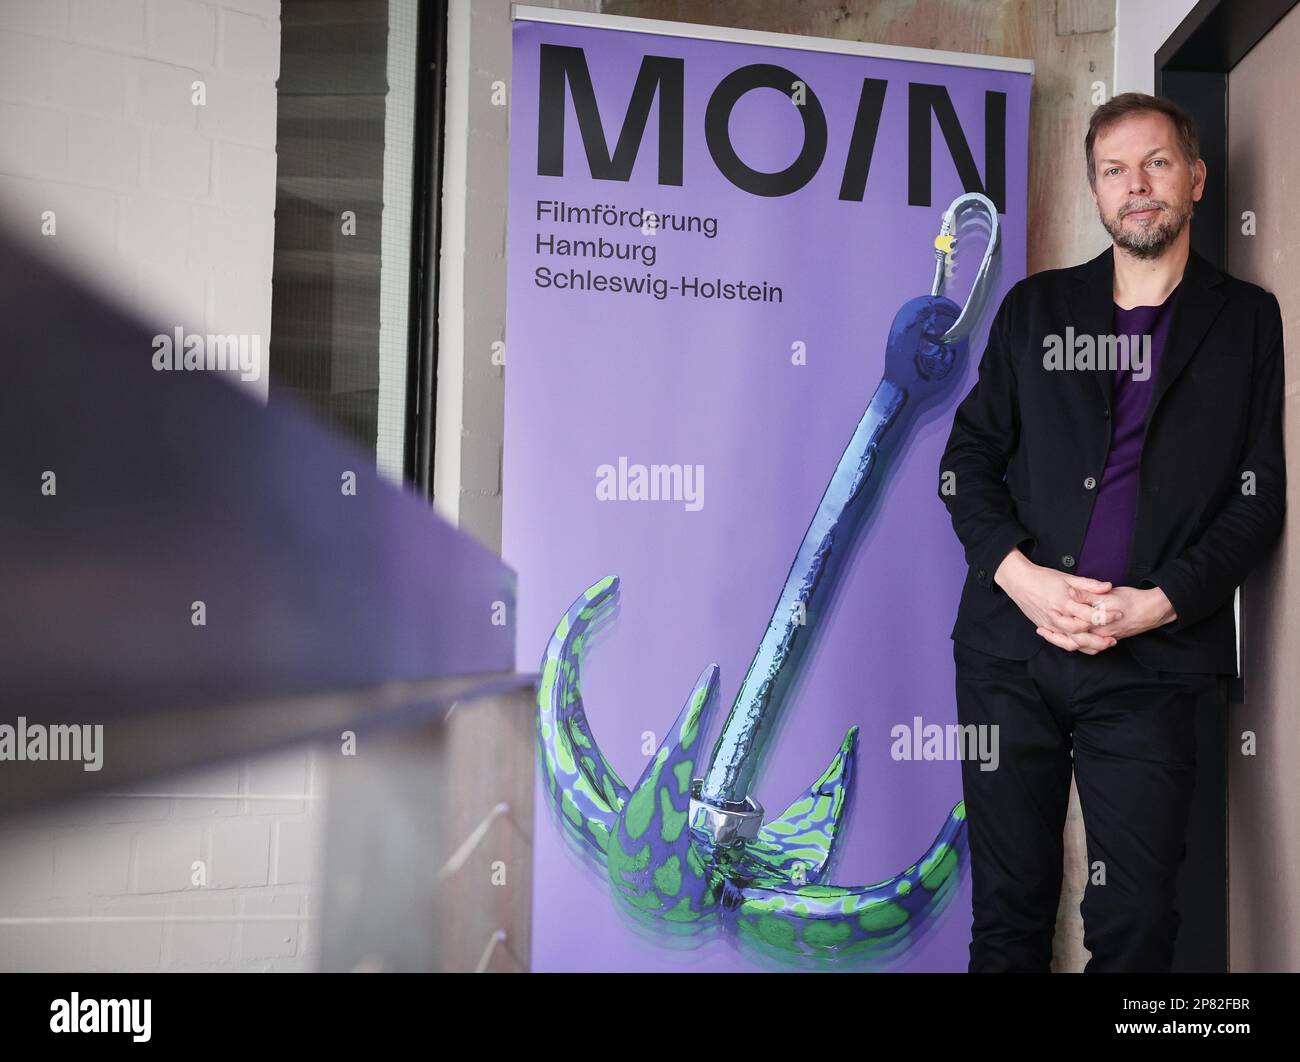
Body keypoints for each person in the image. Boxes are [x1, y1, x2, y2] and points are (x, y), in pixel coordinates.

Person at [937, 91, 1287, 972]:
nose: (1137, 186)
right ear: (1095, 192)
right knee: (1008, 920)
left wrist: (1159, 605)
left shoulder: (1247, 319)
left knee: (1135, 927)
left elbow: (1258, 501)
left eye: (1157, 163)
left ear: (1197, 179)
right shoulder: (1034, 309)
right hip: (1009, 656)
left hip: (1153, 666)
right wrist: (1024, 579)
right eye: (1114, 170)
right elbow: (966, 463)